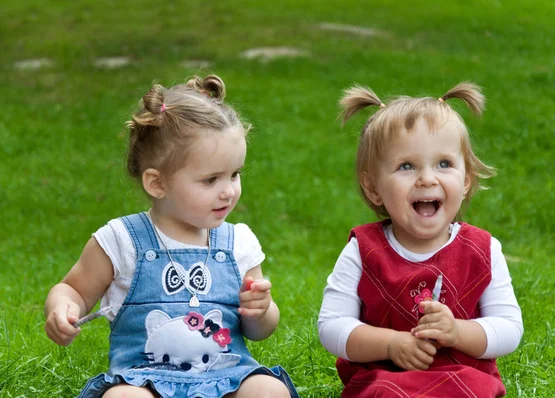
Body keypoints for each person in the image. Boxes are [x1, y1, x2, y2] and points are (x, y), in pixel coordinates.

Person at [44, 75, 299, 398]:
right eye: (210, 180)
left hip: (227, 378)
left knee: (269, 390)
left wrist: (261, 311)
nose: (228, 191)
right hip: (145, 379)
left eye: (235, 174)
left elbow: (258, 331)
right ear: (157, 184)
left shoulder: (239, 243)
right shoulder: (122, 240)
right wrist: (62, 308)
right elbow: (73, 290)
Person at [318, 82, 523, 397]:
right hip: (386, 377)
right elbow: (332, 327)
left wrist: (457, 332)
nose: (427, 178)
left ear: (466, 179)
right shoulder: (363, 250)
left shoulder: (482, 249)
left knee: (475, 389)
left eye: (444, 164)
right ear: (373, 187)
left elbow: (509, 329)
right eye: (406, 166)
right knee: (385, 391)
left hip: (462, 378)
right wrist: (390, 344)